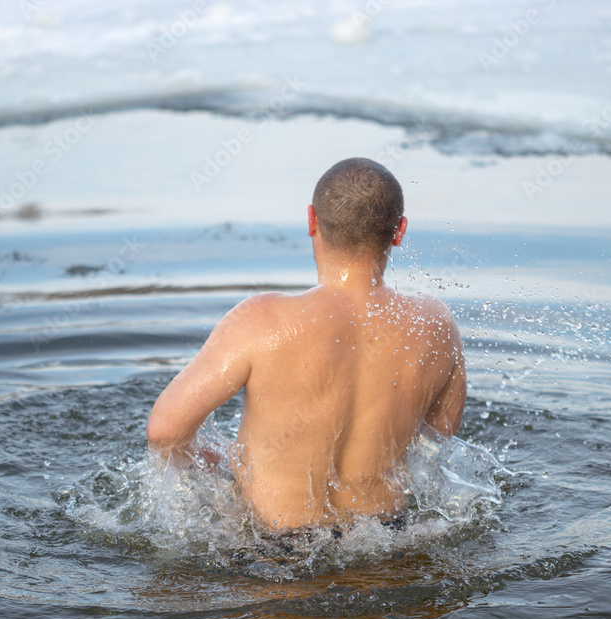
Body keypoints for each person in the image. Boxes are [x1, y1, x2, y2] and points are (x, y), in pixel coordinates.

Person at [146, 157, 466, 532]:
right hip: (387, 539)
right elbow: (438, 434)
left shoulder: (261, 321)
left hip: (277, 553)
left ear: (312, 220)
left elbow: (165, 431)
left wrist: (224, 467)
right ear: (399, 231)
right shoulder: (434, 324)